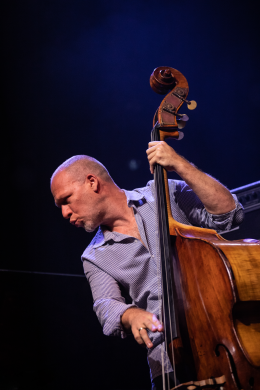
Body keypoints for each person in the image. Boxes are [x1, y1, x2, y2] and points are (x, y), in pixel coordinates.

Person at [51, 141, 244, 389]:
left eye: (66, 200)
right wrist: (129, 314)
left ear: (92, 182)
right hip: (168, 361)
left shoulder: (164, 193)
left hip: (227, 337)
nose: (65, 213)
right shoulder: (94, 256)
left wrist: (179, 164)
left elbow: (230, 214)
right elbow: (104, 303)